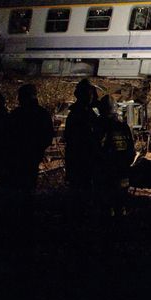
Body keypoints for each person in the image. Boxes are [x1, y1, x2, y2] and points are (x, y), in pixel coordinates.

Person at [2, 84, 55, 217]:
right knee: (27, 190)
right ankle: (26, 217)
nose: (18, 99)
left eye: (20, 97)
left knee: (16, 190)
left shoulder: (17, 114)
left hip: (18, 159)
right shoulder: (42, 114)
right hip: (31, 158)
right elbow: (48, 137)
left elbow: (7, 136)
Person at [95, 95, 135, 217]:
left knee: (105, 203)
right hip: (122, 169)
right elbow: (131, 149)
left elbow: (95, 148)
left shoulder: (98, 126)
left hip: (105, 170)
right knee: (120, 200)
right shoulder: (123, 126)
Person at [63, 80, 99, 209]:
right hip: (82, 157)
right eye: (90, 95)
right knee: (82, 188)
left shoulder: (79, 113)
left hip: (78, 157)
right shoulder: (84, 114)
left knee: (79, 188)